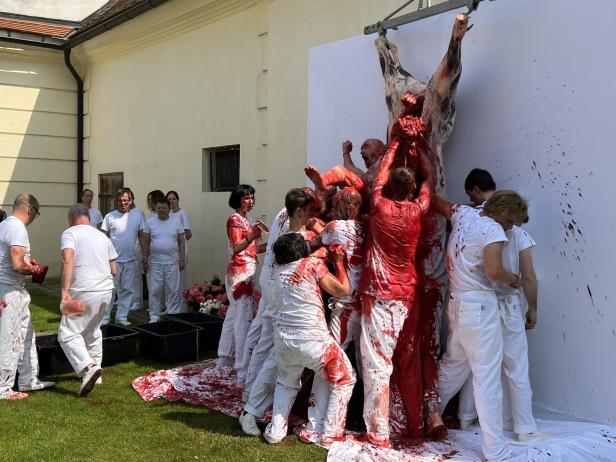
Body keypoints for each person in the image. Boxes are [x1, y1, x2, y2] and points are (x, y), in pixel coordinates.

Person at [358, 94, 434, 448]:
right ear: (413, 190)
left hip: (379, 294)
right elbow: (429, 177)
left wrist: (396, 141)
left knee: (377, 363)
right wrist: (416, 142)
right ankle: (415, 426)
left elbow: (379, 177)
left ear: (390, 187)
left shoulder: (379, 205)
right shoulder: (419, 209)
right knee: (409, 357)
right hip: (408, 293)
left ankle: (379, 433)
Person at [432, 190, 529, 462]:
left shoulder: (463, 213)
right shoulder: (493, 229)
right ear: (501, 213)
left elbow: (439, 202)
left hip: (457, 302)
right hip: (481, 307)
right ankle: (495, 450)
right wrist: (514, 279)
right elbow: (494, 272)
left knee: (453, 367)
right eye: (511, 221)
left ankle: (425, 417)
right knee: (487, 378)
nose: (510, 227)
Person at [262, 233, 356, 446]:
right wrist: (339, 264)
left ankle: (276, 432)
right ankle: (331, 433)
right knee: (345, 378)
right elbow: (342, 290)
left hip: (284, 341)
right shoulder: (311, 265)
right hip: (312, 340)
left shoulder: (277, 273)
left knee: (286, 383)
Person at [239, 188, 315, 437]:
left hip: (274, 286)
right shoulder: (294, 230)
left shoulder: (286, 214)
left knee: (266, 345)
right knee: (273, 352)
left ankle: (251, 397)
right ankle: (251, 406)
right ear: (300, 211)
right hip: (281, 293)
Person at [301, 187, 365, 442]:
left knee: (327, 362)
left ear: (340, 206)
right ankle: (357, 419)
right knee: (362, 365)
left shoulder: (335, 226)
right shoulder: (364, 227)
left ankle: (317, 423)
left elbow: (312, 245)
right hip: (366, 305)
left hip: (344, 305)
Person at [58, 204, 117, 397]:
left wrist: (64, 292)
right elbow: (114, 269)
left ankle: (88, 367)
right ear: (88, 218)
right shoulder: (101, 235)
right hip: (106, 290)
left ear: (70, 219)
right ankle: (96, 374)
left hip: (84, 291)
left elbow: (68, 259)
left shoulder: (70, 233)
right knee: (92, 331)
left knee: (67, 333)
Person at [0, 193, 54, 400]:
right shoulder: (17, 228)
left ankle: (28, 380)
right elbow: (16, 264)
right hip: (10, 291)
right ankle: (4, 388)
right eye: (36, 214)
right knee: (10, 339)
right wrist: (35, 269)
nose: (34, 218)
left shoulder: (5, 225)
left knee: (26, 335)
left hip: (13, 289)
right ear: (30, 209)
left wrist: (28, 264)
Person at [217, 185, 265, 370]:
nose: (250, 201)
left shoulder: (248, 220)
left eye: (252, 197)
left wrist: (272, 245)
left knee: (232, 315)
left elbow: (252, 249)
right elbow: (237, 247)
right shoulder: (234, 219)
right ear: (238, 200)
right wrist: (252, 235)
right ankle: (241, 364)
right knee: (242, 317)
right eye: (246, 198)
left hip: (248, 271)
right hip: (239, 273)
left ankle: (224, 357)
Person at [101, 188, 145, 326]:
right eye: (120, 200)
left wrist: (145, 255)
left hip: (131, 260)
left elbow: (142, 236)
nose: (123, 203)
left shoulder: (137, 216)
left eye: (125, 200)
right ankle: (105, 318)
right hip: (113, 261)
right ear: (116, 201)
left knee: (127, 290)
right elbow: (103, 238)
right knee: (110, 290)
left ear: (130, 201)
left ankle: (121, 318)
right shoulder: (109, 217)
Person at [141, 197, 185, 322]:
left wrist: (181, 259)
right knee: (155, 290)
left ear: (169, 208)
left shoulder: (176, 221)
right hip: (155, 262)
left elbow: (181, 242)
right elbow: (145, 241)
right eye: (158, 208)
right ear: (155, 209)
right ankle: (154, 316)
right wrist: (144, 256)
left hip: (172, 262)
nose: (161, 210)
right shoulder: (150, 222)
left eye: (164, 208)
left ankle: (173, 314)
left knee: (173, 289)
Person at [167, 190, 191, 311]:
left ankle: (182, 308)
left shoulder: (182, 213)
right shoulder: (169, 214)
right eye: (169, 199)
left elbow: (188, 233)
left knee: (180, 282)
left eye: (173, 199)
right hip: (171, 253)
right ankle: (171, 307)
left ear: (177, 200)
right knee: (171, 283)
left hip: (181, 252)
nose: (171, 201)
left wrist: (178, 238)